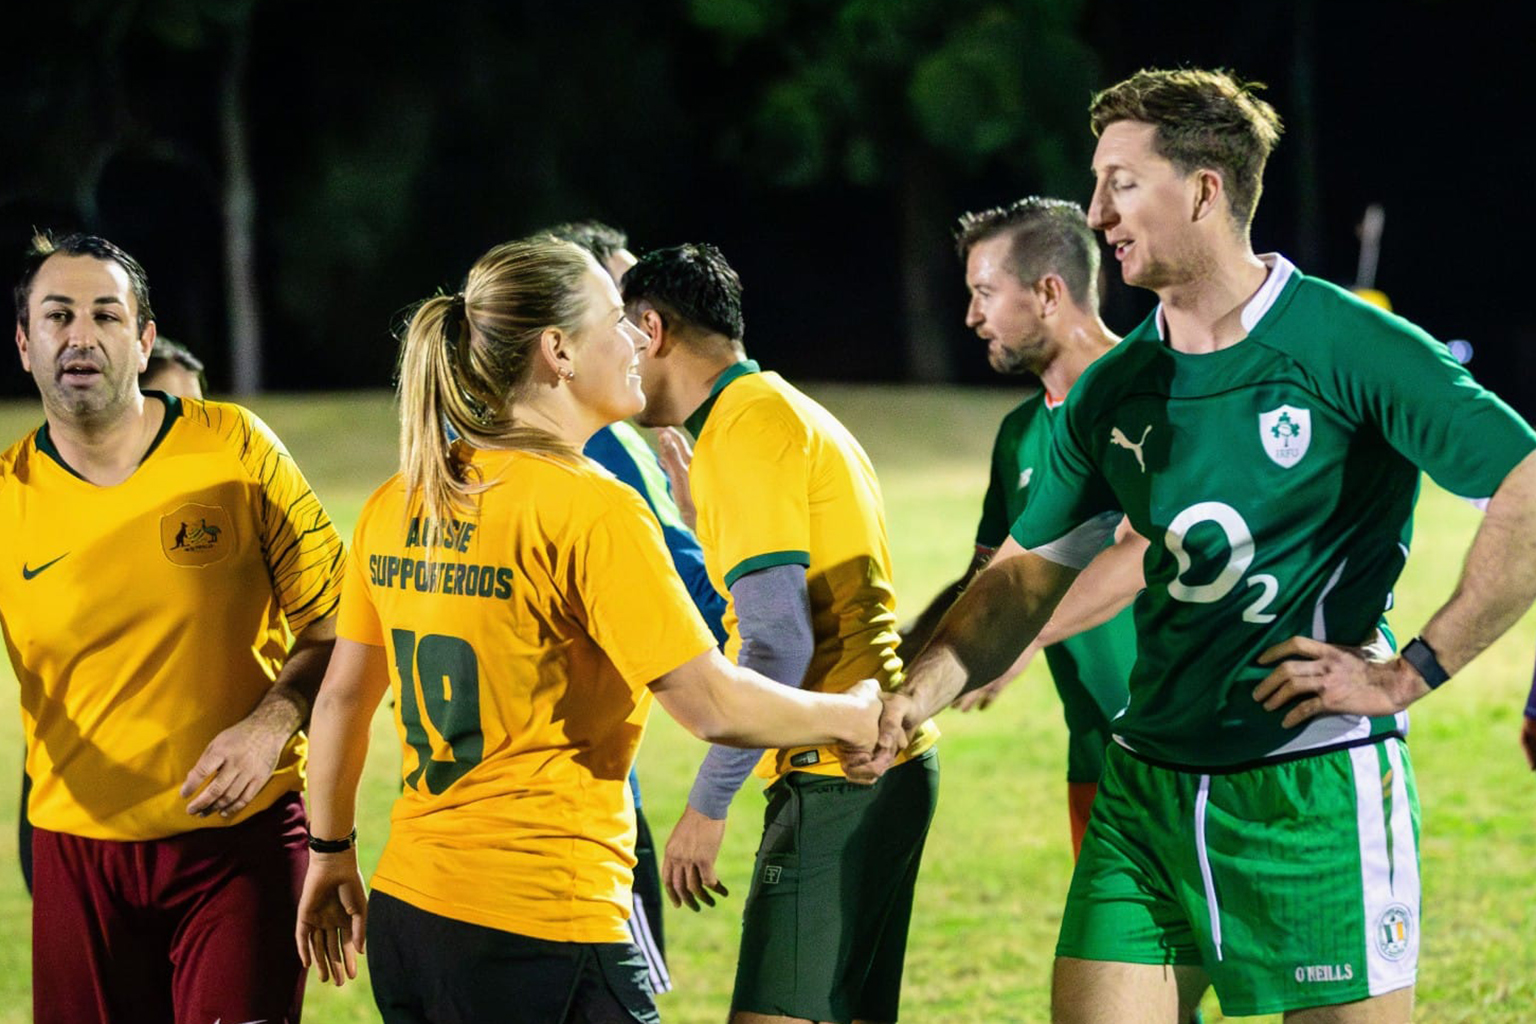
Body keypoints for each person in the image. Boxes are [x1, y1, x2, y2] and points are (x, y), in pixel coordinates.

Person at [849, 67, 1536, 1023]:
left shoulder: (1347, 344)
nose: (1097, 213)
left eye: (1122, 184)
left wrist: (1409, 672)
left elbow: (1526, 484)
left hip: (1311, 789)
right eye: (1097, 185)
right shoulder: (1113, 389)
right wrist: (914, 696)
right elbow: (1019, 580)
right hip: (1145, 791)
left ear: (1205, 190)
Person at [292, 236, 882, 1024]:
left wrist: (330, 853)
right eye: (615, 320)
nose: (637, 339)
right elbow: (710, 703)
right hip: (541, 918)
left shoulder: (399, 498)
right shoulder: (591, 506)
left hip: (413, 914)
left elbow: (341, 702)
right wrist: (852, 714)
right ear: (558, 351)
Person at [3, 232, 344, 1024]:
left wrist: (271, 723)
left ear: (144, 339)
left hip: (239, 847)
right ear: (24, 345)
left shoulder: (234, 447)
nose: (80, 336)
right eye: (57, 316)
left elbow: (342, 625)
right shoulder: (7, 495)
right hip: (77, 856)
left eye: (105, 315)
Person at [622, 243, 939, 1024]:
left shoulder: (747, 428)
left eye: (621, 335)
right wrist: (700, 520)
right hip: (881, 764)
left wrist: (706, 805)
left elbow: (778, 644)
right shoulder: (777, 409)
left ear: (652, 330)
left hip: (837, 771)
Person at [898, 196, 1144, 858]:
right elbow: (988, 580)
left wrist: (1017, 635)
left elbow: (1150, 552)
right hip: (1097, 763)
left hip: (1204, 758)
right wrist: (894, 666)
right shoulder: (1020, 436)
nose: (972, 316)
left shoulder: (1152, 392)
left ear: (1048, 293)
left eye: (985, 293)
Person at [547, 218, 730, 995]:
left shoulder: (446, 454)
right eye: (623, 312)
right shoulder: (600, 460)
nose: (641, 335)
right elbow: (698, 615)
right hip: (579, 813)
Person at [13, 334, 209, 895]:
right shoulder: (35, 510)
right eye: (170, 409)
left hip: (210, 826)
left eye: (199, 411)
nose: (189, 429)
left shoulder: (227, 515)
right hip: (80, 824)